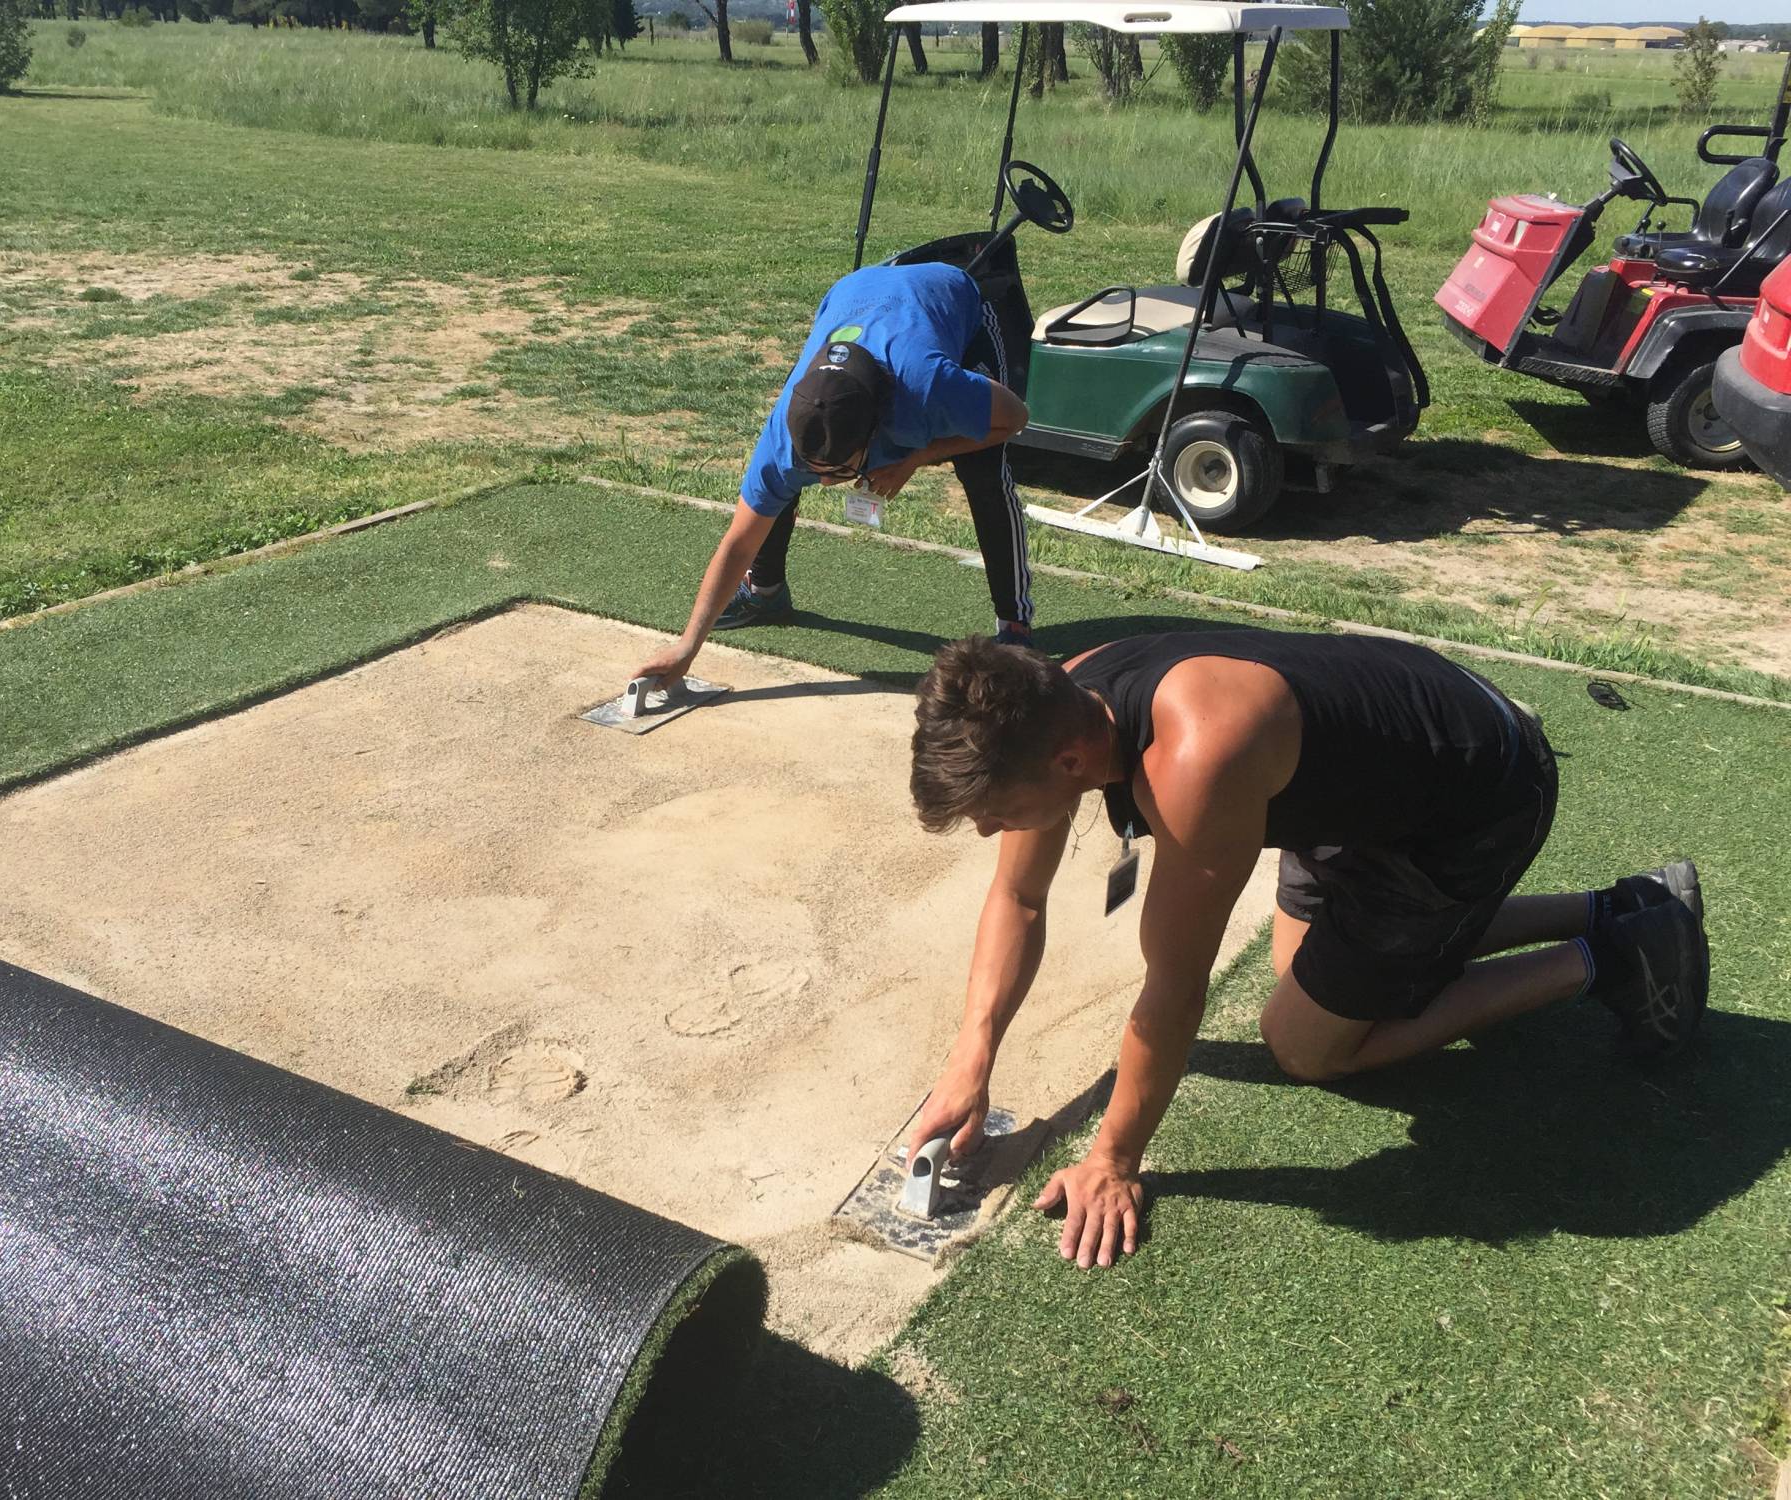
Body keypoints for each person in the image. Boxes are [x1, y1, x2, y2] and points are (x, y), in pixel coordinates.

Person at [904, 629, 1710, 1271]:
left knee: (1305, 1044)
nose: (986, 829)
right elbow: (1020, 898)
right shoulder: (1059, 695)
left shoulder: (1195, 759)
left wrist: (1113, 1160)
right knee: (1303, 974)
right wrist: (971, 1058)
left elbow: (1176, 985)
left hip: (1474, 799)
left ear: (1069, 765)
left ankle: (1621, 952)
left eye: (991, 812)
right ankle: (1610, 905)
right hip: (1366, 781)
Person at [634, 259, 1034, 688]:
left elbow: (1015, 419)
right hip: (854, 292)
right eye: (818, 471)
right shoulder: (781, 439)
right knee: (781, 482)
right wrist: (687, 646)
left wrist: (917, 456)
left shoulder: (930, 389)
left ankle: (1015, 624)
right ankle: (765, 592)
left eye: (839, 470)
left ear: (876, 433)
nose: (825, 483)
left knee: (985, 472)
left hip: (951, 299)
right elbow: (739, 542)